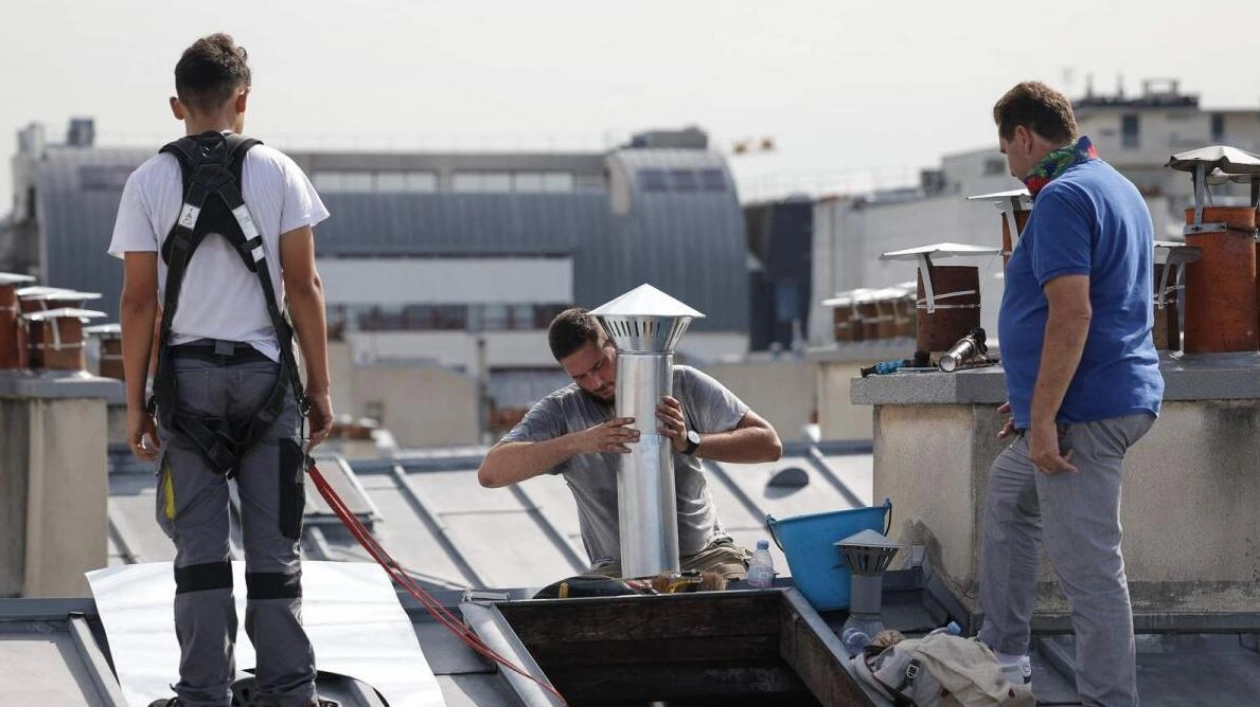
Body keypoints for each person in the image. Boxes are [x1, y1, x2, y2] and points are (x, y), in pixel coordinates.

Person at [110, 34, 334, 707]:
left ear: (178, 106)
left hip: (188, 386)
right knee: (274, 555)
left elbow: (139, 301)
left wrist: (135, 405)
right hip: (268, 382)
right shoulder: (280, 173)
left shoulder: (148, 182)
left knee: (201, 556)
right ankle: (288, 693)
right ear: (243, 100)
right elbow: (305, 287)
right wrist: (319, 388)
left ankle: (203, 693)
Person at [980, 81, 1163, 706]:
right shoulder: (1116, 185)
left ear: (1024, 138)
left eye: (1007, 151)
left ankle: (1109, 701)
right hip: (1092, 397)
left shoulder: (1061, 198)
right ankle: (1003, 659)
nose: (1011, 164)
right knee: (1008, 500)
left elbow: (1073, 315)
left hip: (1087, 411)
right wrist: (1034, 398)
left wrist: (1048, 412)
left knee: (1090, 572)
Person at [478, 308, 783, 580]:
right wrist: (579, 442)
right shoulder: (561, 410)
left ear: (614, 344)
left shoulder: (682, 384)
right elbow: (491, 472)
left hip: (707, 556)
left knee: (743, 606)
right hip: (616, 571)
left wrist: (690, 442)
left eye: (600, 366)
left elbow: (769, 444)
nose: (595, 383)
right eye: (581, 376)